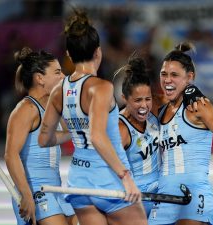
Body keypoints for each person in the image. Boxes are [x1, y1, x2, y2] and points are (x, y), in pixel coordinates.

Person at [38, 10, 147, 225]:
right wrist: (125, 177)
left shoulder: (58, 90)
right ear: (98, 52)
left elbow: (44, 139)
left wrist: (74, 133)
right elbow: (97, 137)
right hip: (110, 182)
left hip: (79, 183)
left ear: (69, 53)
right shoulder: (101, 88)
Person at [148, 42, 213, 225]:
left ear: (189, 77)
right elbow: (140, 97)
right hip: (164, 197)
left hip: (193, 194)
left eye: (174, 75)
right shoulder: (159, 109)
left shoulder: (198, 106)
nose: (167, 80)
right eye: (164, 74)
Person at [4, 47, 77, 225]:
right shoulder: (26, 109)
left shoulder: (52, 108)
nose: (63, 77)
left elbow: (58, 137)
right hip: (35, 190)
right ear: (40, 78)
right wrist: (26, 194)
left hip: (56, 188)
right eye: (58, 72)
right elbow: (10, 154)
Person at [118, 56, 160, 217]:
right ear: (124, 98)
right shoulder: (120, 128)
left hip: (162, 197)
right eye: (137, 100)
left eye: (147, 99)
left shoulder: (154, 111)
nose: (144, 106)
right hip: (136, 202)